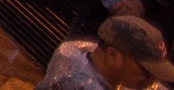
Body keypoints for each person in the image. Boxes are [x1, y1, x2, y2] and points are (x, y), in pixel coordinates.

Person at [37, 14, 174, 90]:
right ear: (112, 55)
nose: (152, 82)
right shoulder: (77, 83)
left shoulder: (85, 51)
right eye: (146, 71)